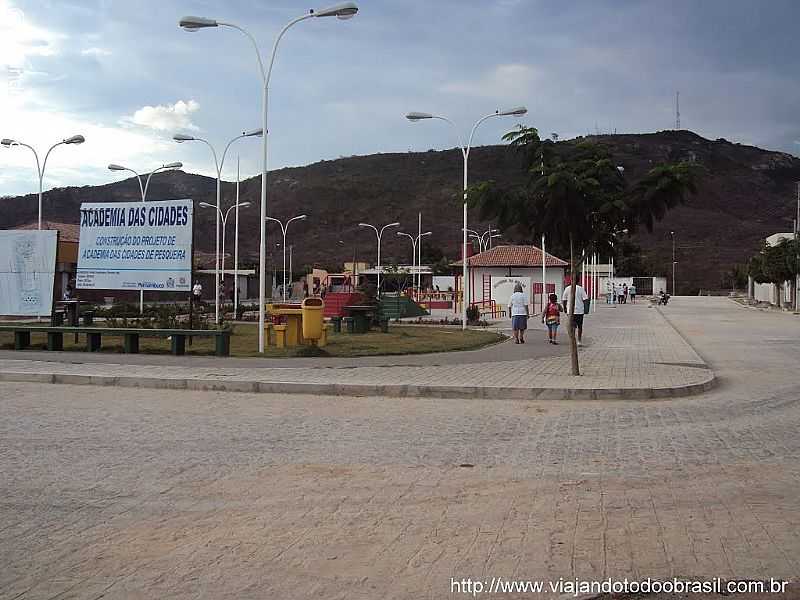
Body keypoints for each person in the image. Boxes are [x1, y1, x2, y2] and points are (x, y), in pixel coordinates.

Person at [562, 282, 589, 346]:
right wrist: (586, 309)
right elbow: (586, 299)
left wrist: (565, 308)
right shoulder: (581, 289)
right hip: (579, 311)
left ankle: (572, 339)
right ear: (578, 281)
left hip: (570, 311)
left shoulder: (567, 288)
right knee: (580, 326)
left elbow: (564, 300)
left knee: (572, 326)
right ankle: (579, 340)